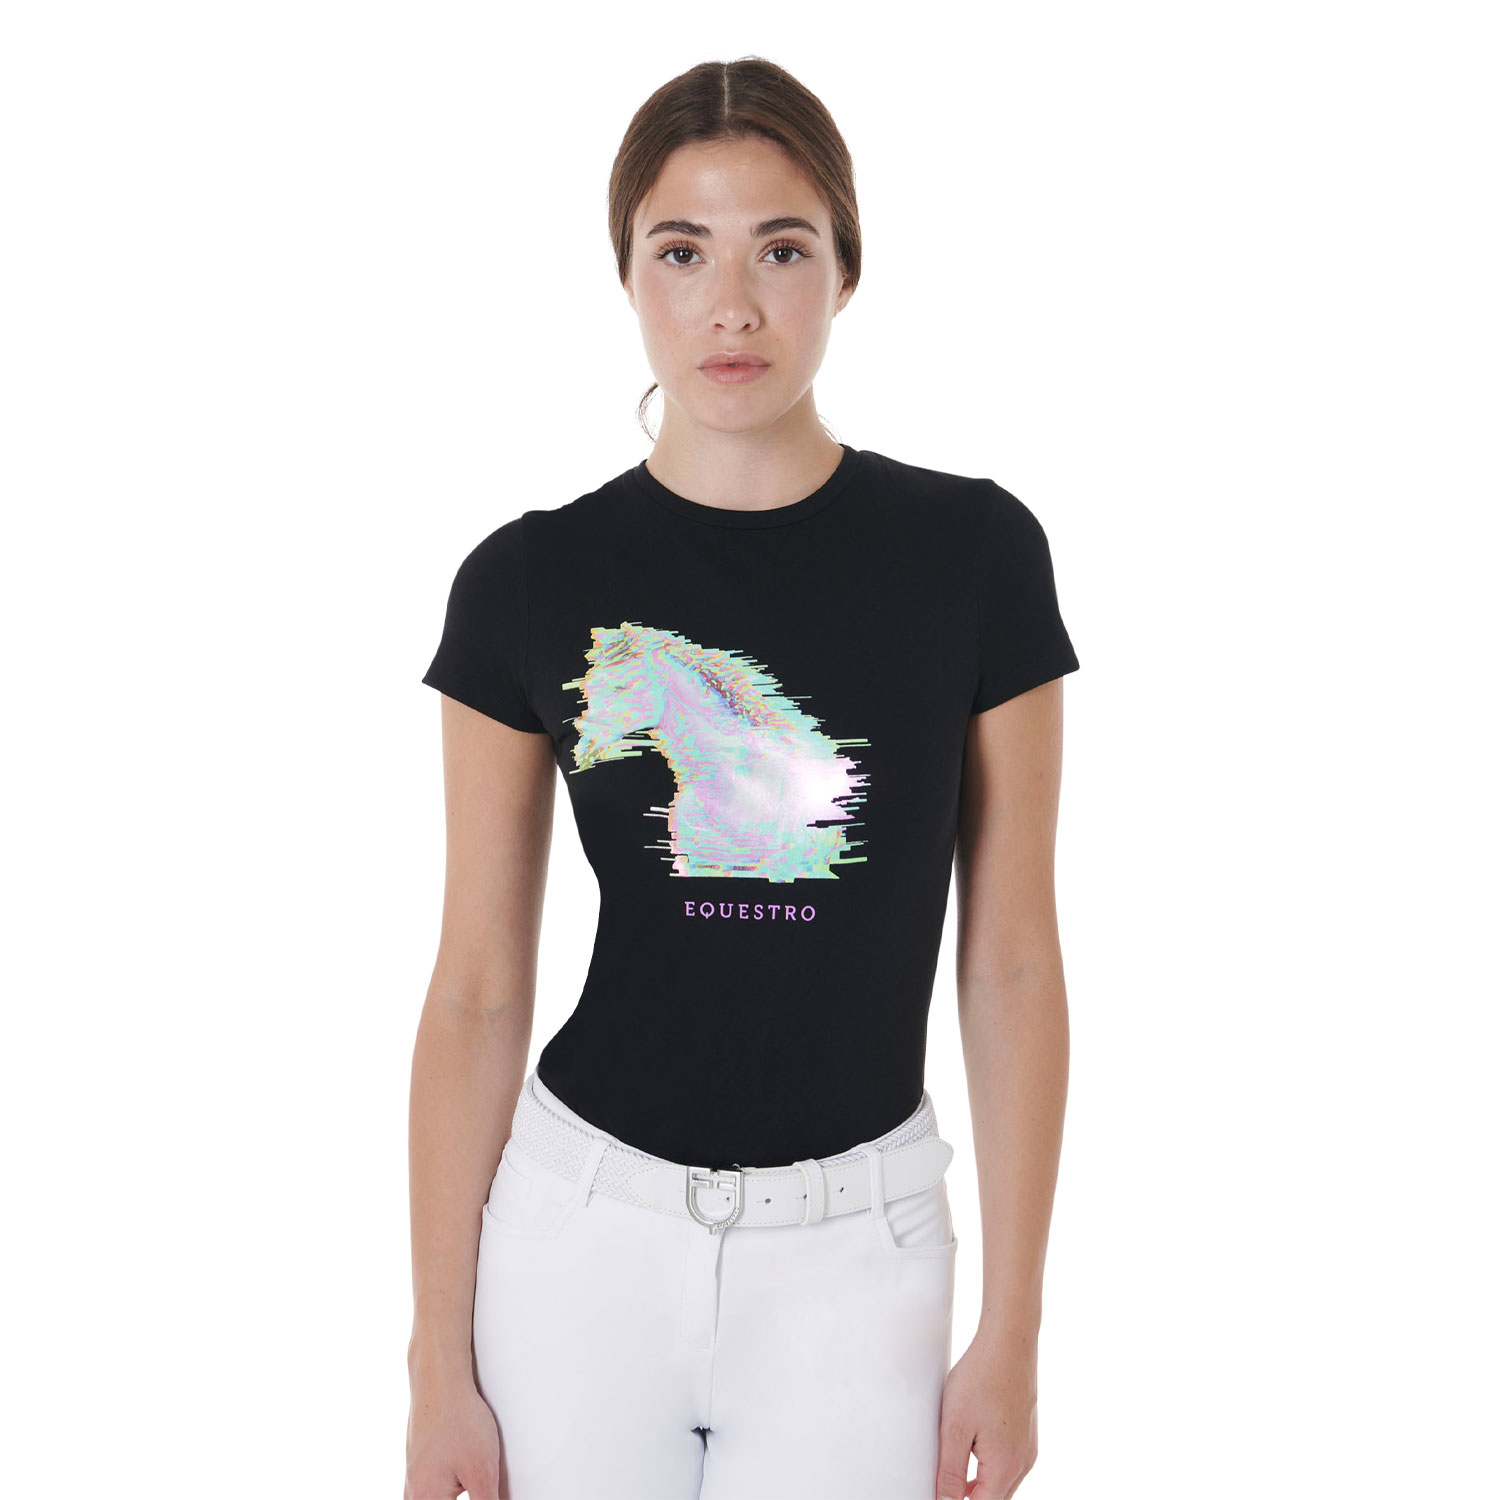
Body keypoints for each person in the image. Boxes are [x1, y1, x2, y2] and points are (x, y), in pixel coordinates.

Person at [404, 56, 1079, 1500]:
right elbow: (476, 987)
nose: (731, 304)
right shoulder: (527, 581)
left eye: (780, 248)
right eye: (681, 251)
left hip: (863, 1257)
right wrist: (435, 1362)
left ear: (845, 269)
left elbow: (1013, 961)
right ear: (626, 274)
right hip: (579, 1239)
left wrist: (1015, 1328)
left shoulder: (974, 558)